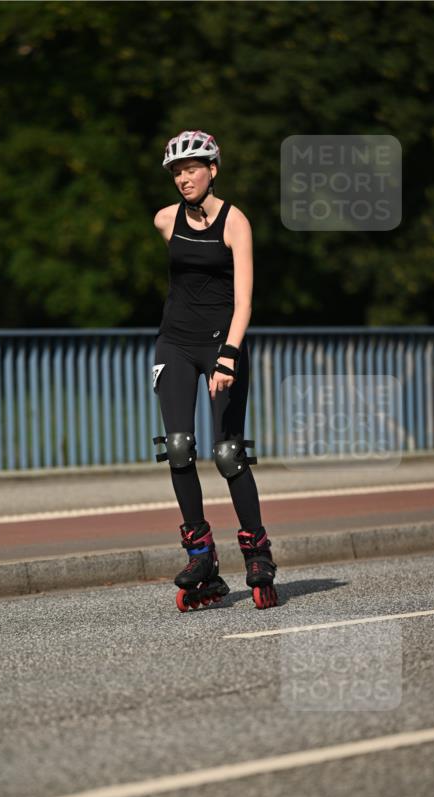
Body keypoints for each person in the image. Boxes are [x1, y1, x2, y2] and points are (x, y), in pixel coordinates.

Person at [152, 129, 278, 611]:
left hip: (221, 345)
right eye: (177, 172)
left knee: (228, 452)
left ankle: (258, 553)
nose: (184, 178)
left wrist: (229, 353)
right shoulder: (166, 221)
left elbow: (244, 299)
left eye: (192, 169)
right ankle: (200, 554)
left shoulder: (235, 222)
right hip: (175, 343)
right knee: (180, 446)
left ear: (213, 171)